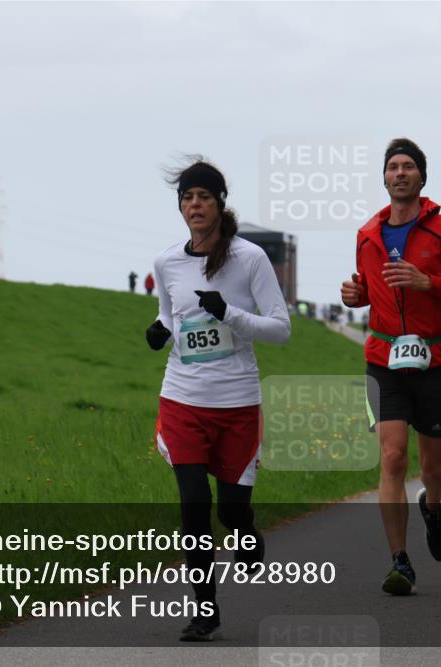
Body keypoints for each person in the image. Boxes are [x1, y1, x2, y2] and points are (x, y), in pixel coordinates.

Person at [146, 159, 290, 641]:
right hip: (182, 400)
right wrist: (159, 331)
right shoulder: (167, 262)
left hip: (236, 404)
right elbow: (171, 316)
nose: (195, 205)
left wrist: (230, 313)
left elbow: (280, 328)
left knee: (230, 512)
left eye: (203, 196)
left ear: (219, 202)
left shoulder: (249, 258)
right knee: (192, 505)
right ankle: (205, 610)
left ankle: (246, 533)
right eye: (187, 198)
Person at [340, 137, 441, 595]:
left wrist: (430, 282)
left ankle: (433, 506)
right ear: (384, 178)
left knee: (433, 466)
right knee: (393, 455)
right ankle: (400, 561)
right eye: (392, 167)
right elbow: (370, 289)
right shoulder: (367, 235)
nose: (400, 173)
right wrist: (356, 295)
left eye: (408, 167)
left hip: (435, 358)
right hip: (383, 358)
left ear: (422, 178)